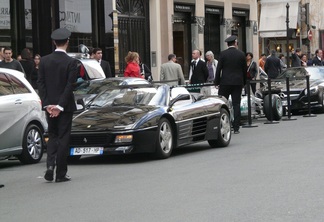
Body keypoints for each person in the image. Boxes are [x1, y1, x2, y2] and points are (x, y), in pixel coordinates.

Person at [37, 28, 78, 183]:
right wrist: (60, 106)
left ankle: (49, 166)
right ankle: (61, 173)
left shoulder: (44, 61)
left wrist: (48, 105)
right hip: (65, 107)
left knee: (53, 136)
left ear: (54, 42)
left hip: (49, 106)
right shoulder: (71, 62)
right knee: (63, 137)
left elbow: (40, 84)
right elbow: (70, 86)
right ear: (67, 42)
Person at [214, 35, 246, 134]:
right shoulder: (241, 54)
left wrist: (217, 82)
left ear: (227, 44)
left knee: (222, 104)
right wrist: (243, 82)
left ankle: (223, 124)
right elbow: (244, 70)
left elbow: (218, 69)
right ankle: (236, 127)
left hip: (225, 82)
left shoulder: (223, 54)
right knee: (236, 104)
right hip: (237, 83)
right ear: (235, 43)